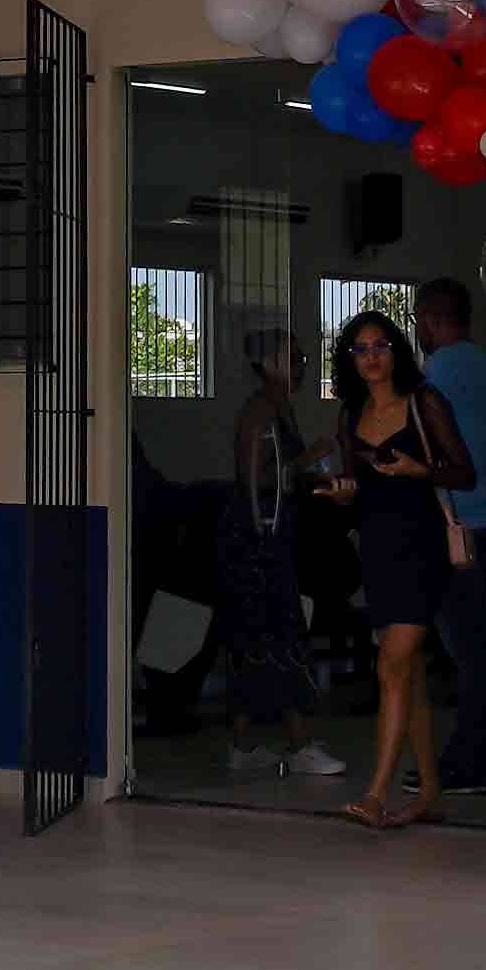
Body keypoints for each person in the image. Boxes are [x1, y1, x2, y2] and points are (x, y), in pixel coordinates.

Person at [317, 306, 466, 827]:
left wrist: (418, 470)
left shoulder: (424, 401)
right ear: (349, 360)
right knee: (409, 674)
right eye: (360, 349)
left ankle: (377, 794)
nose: (371, 357)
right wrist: (343, 493)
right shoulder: (350, 412)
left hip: (422, 544)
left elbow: (464, 472)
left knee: (391, 666)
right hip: (377, 547)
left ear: (397, 351)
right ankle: (427, 789)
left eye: (380, 346)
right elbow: (362, 488)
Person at [408, 278, 486, 797]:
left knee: (470, 652)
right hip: (483, 518)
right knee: (473, 648)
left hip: (456, 523)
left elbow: (424, 443)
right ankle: (466, 758)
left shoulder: (442, 370)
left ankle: (469, 765)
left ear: (430, 319)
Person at [215, 330, 336, 781]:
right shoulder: (260, 411)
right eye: (295, 358)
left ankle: (244, 744)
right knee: (277, 629)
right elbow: (256, 478)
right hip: (256, 536)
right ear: (268, 363)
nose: (302, 366)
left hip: (271, 532)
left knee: (257, 634)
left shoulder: (279, 407)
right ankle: (299, 741)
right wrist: (310, 459)